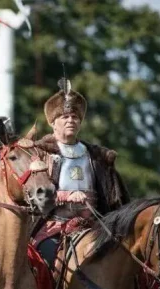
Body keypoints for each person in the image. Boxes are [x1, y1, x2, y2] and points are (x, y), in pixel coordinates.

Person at [31, 79, 130, 271]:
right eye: (65, 117)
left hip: (95, 225)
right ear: (53, 123)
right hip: (53, 225)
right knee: (43, 262)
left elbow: (115, 199)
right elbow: (36, 194)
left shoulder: (97, 157)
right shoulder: (40, 154)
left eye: (75, 117)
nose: (71, 121)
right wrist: (67, 196)